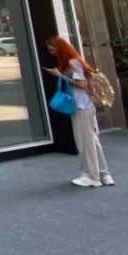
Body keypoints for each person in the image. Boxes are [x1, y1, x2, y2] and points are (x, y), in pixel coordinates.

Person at [47, 36, 112, 188]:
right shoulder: (76, 60)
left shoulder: (72, 62)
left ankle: (91, 176)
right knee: (92, 140)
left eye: (53, 50)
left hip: (81, 105)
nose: (52, 53)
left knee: (84, 142)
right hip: (87, 105)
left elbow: (81, 84)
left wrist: (59, 75)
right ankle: (104, 174)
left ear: (60, 49)